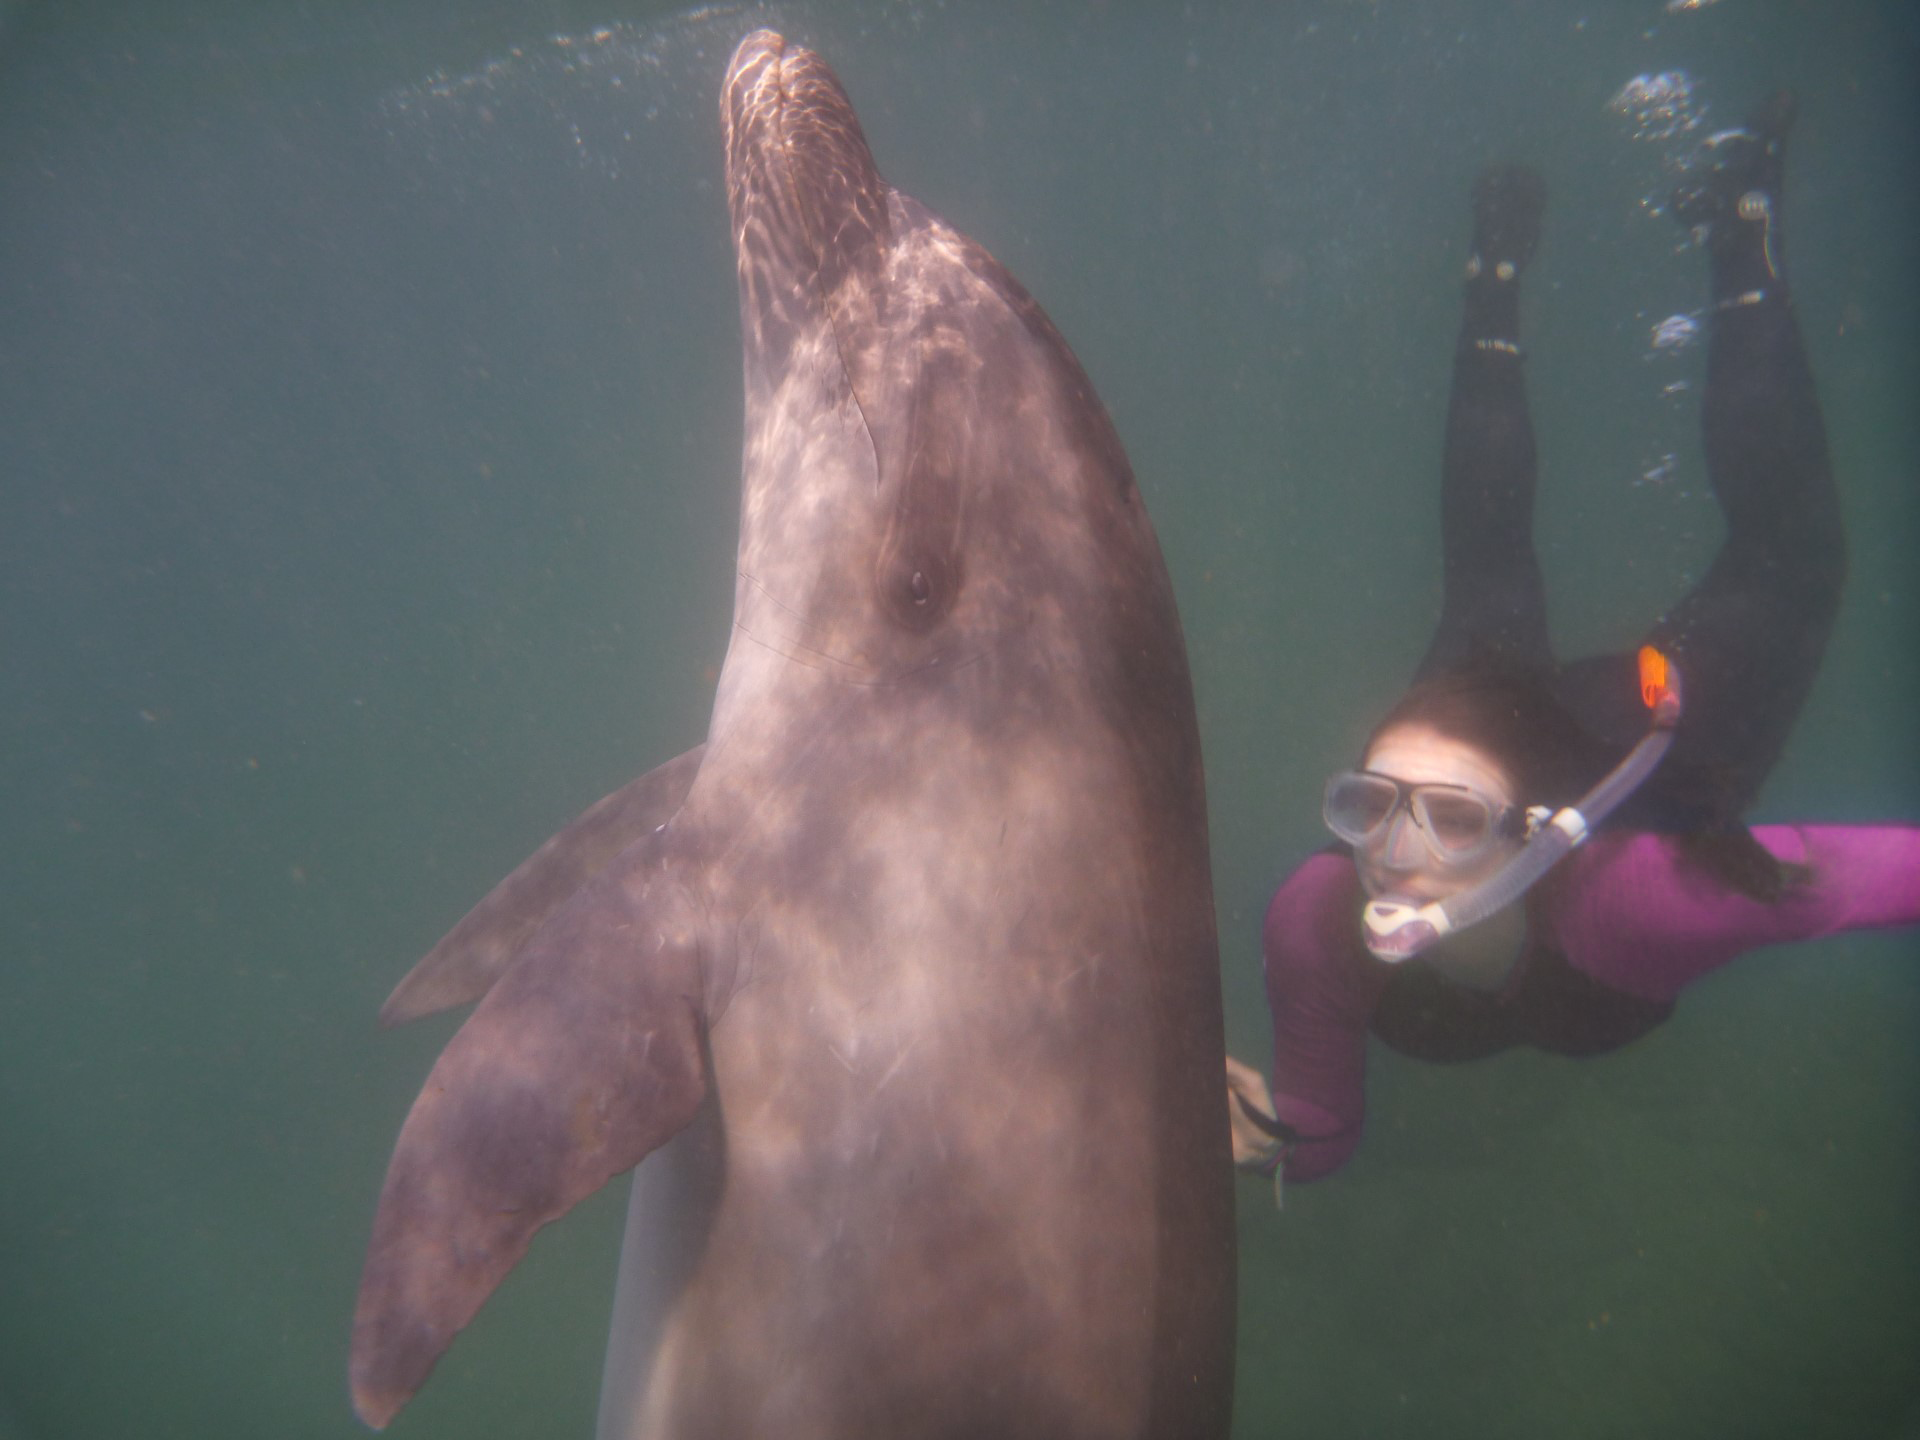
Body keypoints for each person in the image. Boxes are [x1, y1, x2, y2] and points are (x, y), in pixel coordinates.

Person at [1227, 93, 1920, 1187]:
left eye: (1451, 818)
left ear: (1532, 837)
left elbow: (1878, 878)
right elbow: (1322, 1122)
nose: (1393, 847)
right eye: (1368, 800)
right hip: (1491, 716)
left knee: (1792, 550)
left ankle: (1741, 228)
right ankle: (1493, 272)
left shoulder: (1637, 906)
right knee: (1487, 563)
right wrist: (1272, 1135)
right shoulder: (1318, 920)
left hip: (1629, 744)